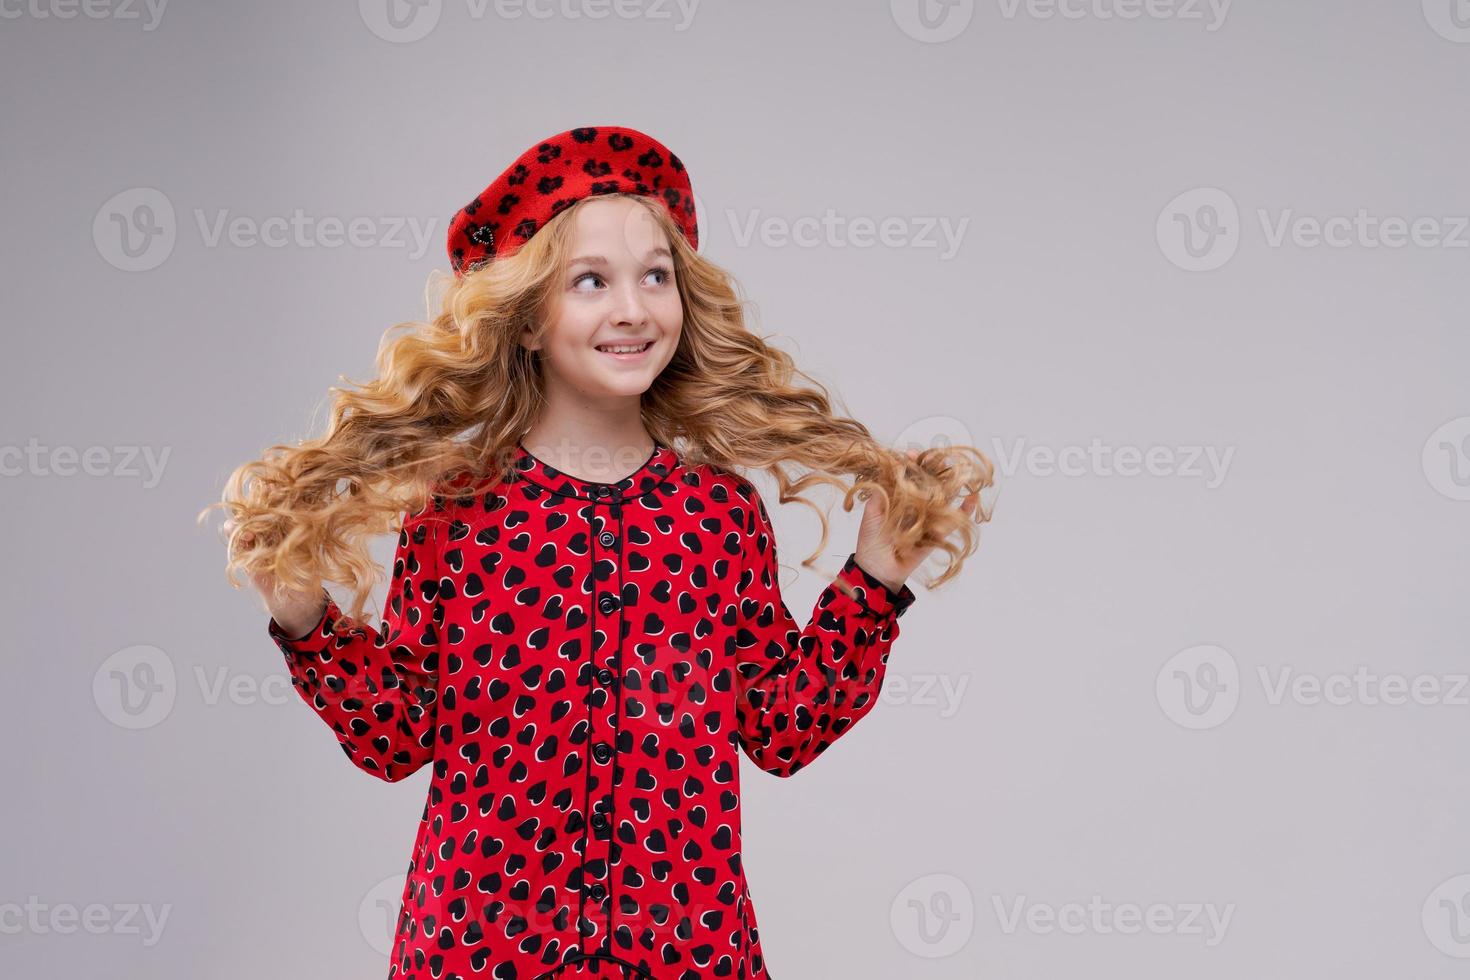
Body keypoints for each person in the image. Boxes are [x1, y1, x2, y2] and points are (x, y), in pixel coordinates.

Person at [203, 125, 994, 980]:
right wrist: (304, 618)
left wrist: (874, 580)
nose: (633, 308)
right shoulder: (458, 515)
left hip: (686, 957)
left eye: (656, 275)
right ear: (529, 322)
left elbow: (780, 731)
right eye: (591, 281)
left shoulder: (718, 516)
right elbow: (396, 738)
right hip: (482, 955)